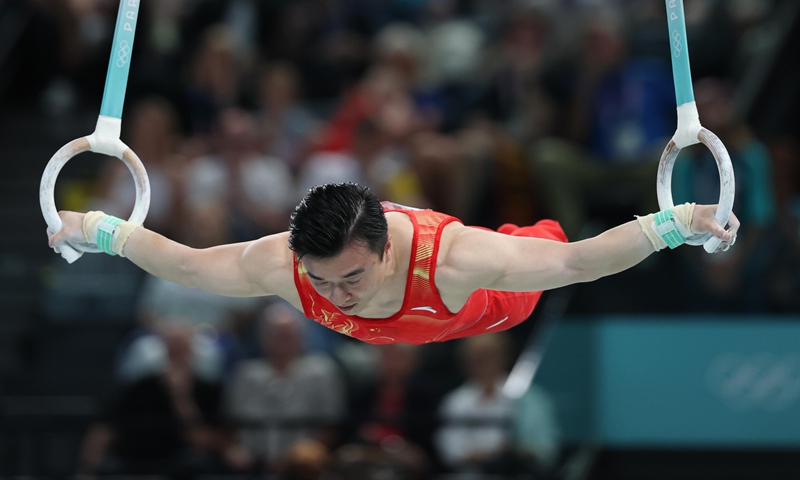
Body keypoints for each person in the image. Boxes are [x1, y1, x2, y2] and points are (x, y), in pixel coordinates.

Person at [47, 182, 739, 345]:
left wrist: (676, 223)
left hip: (490, 304)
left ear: (387, 250)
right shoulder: (282, 266)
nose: (336, 296)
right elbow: (191, 266)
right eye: (320, 281)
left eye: (352, 276)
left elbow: (579, 264)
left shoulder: (457, 260)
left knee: (542, 248)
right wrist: (96, 227)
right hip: (429, 315)